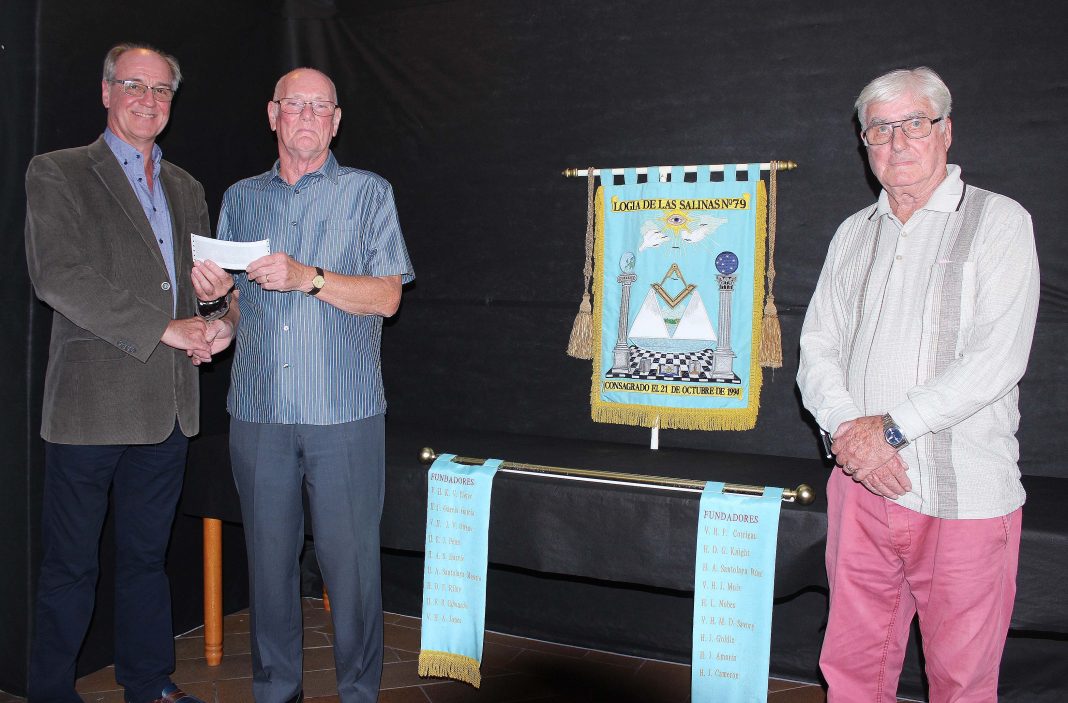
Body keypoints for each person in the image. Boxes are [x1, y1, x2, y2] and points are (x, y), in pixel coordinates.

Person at [797, 66, 1040, 701]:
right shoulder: (852, 234)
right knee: (852, 669)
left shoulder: (999, 222)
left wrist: (893, 430)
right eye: (881, 129)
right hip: (861, 489)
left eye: (914, 124)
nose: (898, 142)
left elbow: (998, 357)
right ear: (864, 142)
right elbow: (816, 350)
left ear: (945, 132)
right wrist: (851, 438)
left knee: (961, 681)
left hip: (964, 498)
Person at [24, 43, 235, 703]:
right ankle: (52, 691)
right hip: (90, 407)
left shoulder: (187, 187)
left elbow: (204, 290)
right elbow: (58, 275)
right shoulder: (58, 172)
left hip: (168, 404)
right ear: (107, 91)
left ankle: (148, 684)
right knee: (70, 566)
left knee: (147, 560)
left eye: (162, 90)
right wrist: (165, 328)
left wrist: (220, 317)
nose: (149, 100)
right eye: (134, 86)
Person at [209, 67, 414, 703]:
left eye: (318, 106)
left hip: (343, 412)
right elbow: (241, 305)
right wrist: (219, 311)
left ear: (336, 119)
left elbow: (386, 298)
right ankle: (276, 692)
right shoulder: (241, 198)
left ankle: (358, 693)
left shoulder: (369, 194)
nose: (306, 115)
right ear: (272, 115)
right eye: (293, 105)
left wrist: (310, 278)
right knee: (268, 571)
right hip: (259, 411)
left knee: (352, 573)